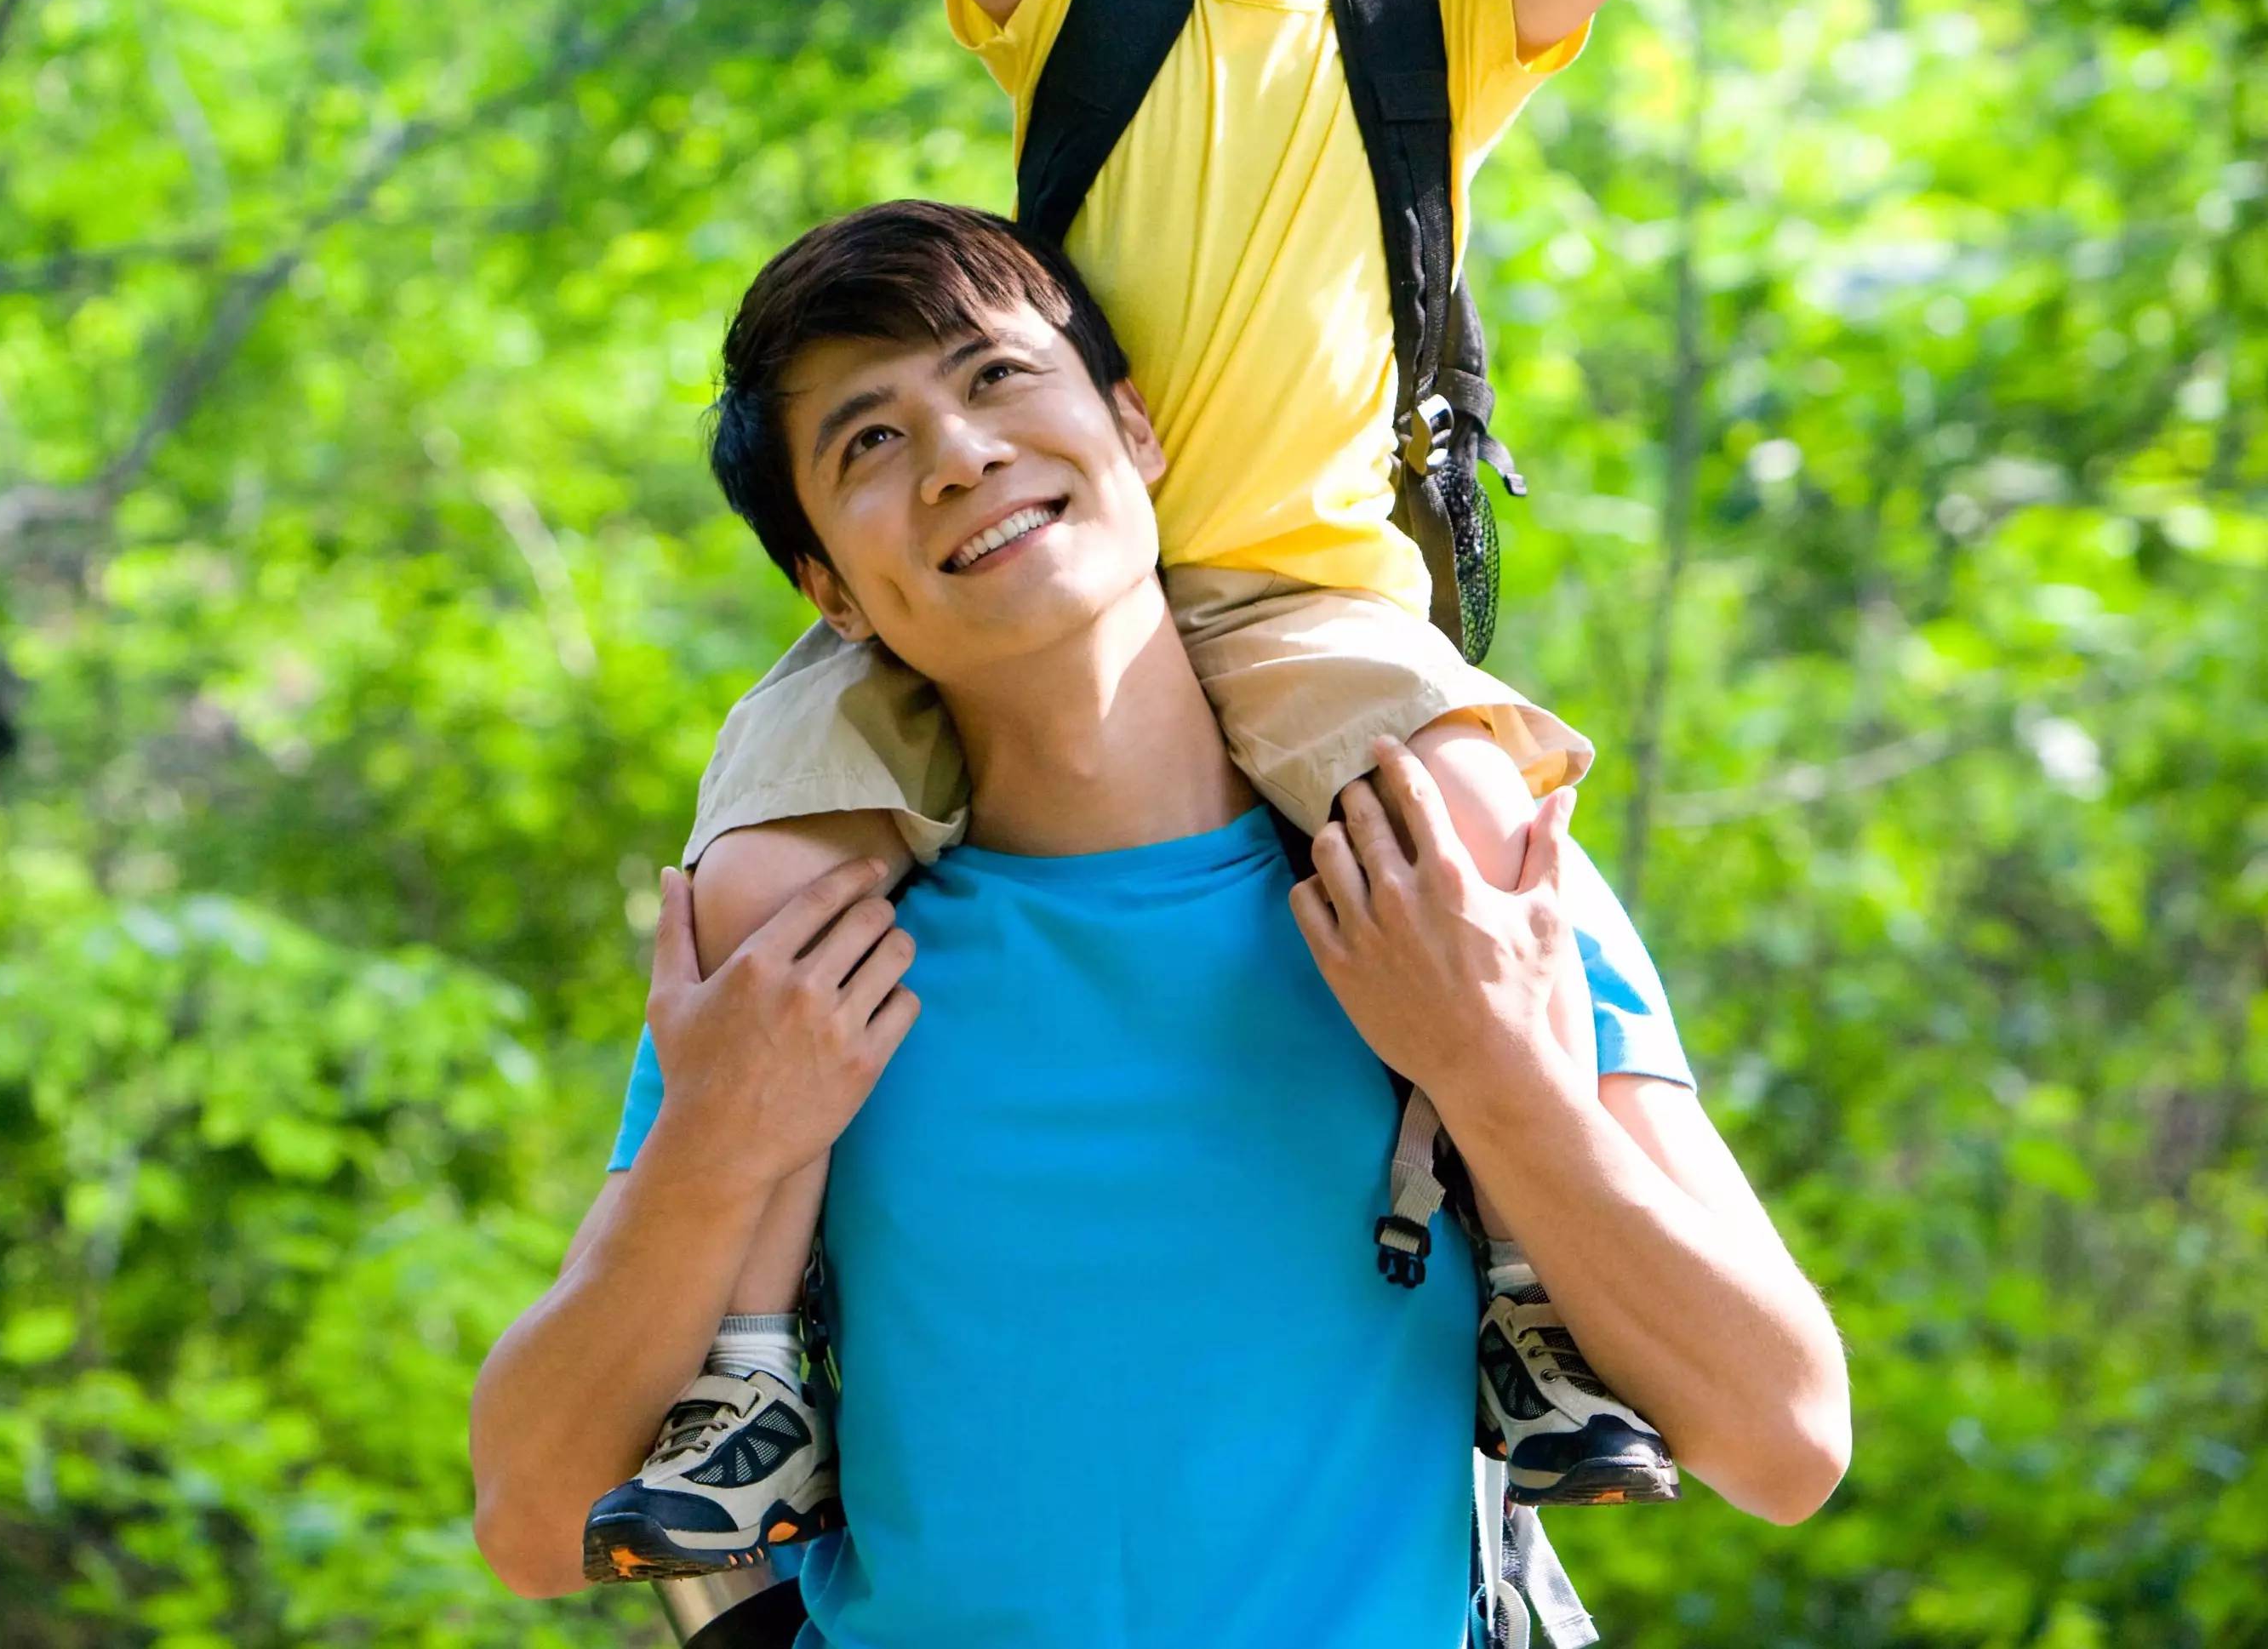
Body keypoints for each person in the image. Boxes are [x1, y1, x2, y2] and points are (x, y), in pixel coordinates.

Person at [578, 0, 1695, 1572]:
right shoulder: (1086, 3)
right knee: (758, 873)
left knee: (1463, 835)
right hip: (1001, 577)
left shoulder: (1424, 37)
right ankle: (746, 1375)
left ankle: (1540, 1302)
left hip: (1296, 595)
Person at [467, 203, 1848, 1645]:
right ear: (828, 589)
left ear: (1134, 428)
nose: (957, 454)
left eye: (996, 375)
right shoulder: (809, 961)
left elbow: (1784, 1437)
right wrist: (714, 1144)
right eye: (868, 441)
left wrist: (1498, 1070)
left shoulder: (1451, 889)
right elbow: (531, 1516)